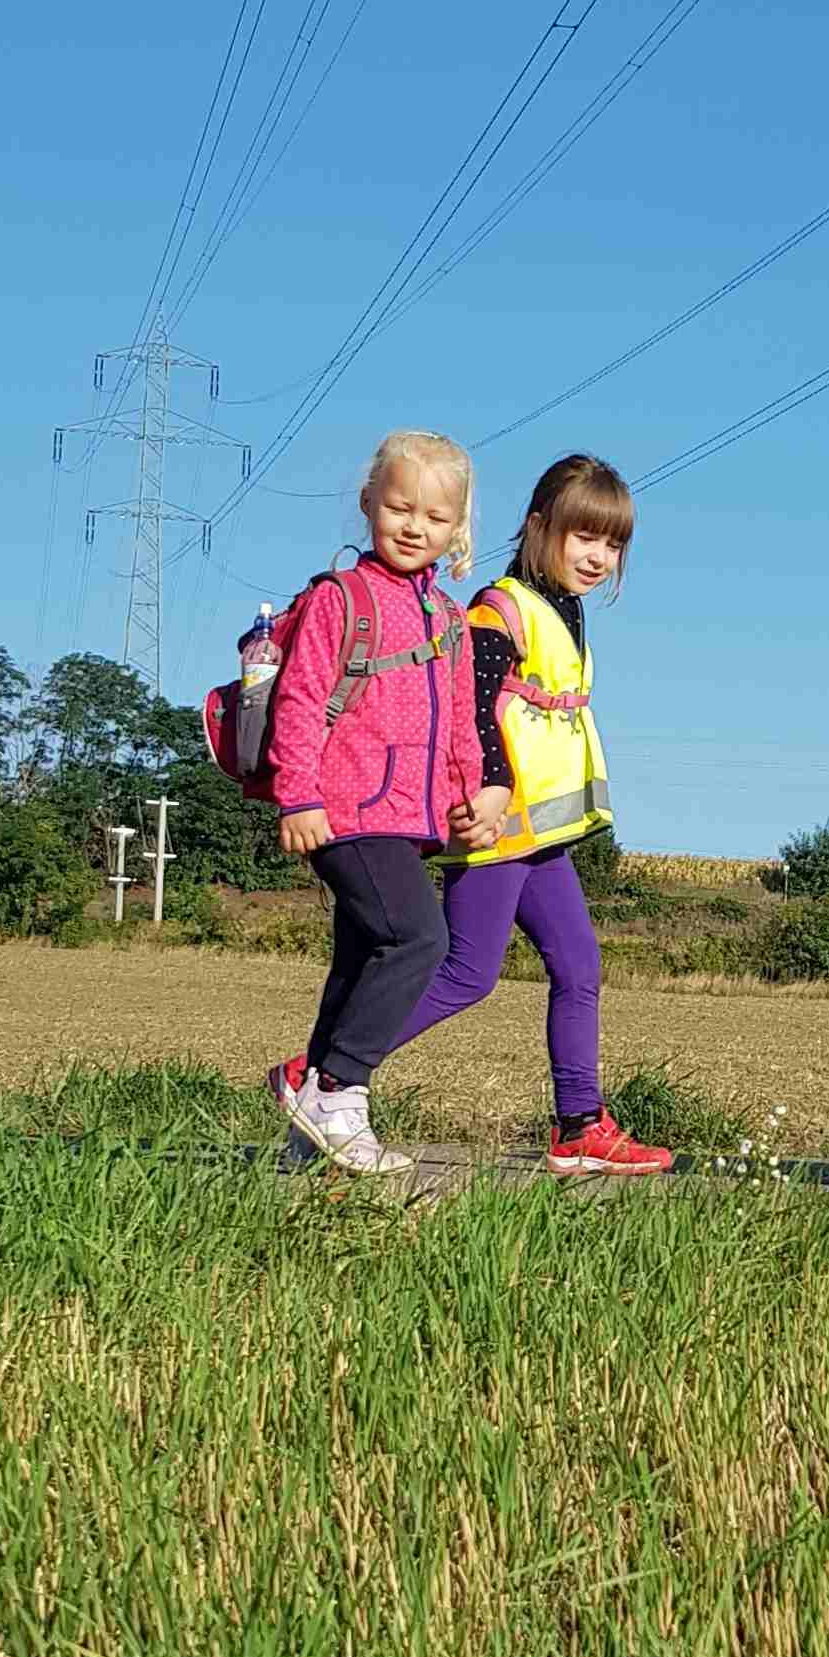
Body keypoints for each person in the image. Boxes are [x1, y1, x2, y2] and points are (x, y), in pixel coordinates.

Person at [386, 453, 674, 1178]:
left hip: (542, 835)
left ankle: (579, 1125)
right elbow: (473, 709)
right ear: (539, 526)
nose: (599, 557)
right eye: (585, 537)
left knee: (579, 967)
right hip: (498, 824)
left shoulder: (565, 610)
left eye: (613, 544)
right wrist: (485, 789)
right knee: (467, 974)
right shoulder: (503, 608)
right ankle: (324, 1072)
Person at [263, 430, 498, 1178]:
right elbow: (301, 700)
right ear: (369, 503)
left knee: (362, 956)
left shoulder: (450, 620)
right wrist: (297, 796)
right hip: (342, 809)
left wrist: (468, 796)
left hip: (407, 819)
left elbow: (460, 724)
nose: (414, 527)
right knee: (419, 938)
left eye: (435, 517)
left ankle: (310, 1127)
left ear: (457, 528)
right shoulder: (341, 598)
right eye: (400, 508)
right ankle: (340, 1088)